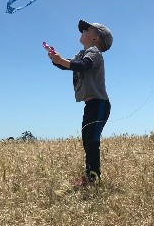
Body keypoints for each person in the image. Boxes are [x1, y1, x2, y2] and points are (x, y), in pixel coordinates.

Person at [47, 19, 113, 187]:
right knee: (87, 140)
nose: (82, 31)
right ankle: (91, 176)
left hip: (99, 104)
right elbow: (69, 65)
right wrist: (56, 59)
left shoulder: (94, 52)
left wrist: (62, 61)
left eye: (86, 30)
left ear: (95, 38)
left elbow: (83, 66)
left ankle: (93, 178)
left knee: (92, 141)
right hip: (91, 105)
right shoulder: (82, 53)